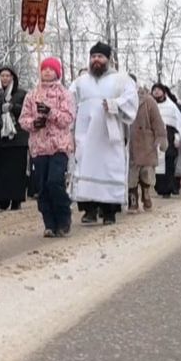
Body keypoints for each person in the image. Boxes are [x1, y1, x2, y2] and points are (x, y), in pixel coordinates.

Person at [70, 42, 138, 225]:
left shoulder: (121, 80)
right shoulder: (80, 82)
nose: (96, 60)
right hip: (85, 135)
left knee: (109, 171)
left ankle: (109, 212)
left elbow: (131, 101)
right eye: (93, 57)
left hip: (109, 136)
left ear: (108, 59)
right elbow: (69, 104)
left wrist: (115, 104)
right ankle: (89, 211)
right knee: (85, 169)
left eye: (100, 56)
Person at [20, 57, 76, 237]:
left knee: (54, 182)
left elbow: (68, 119)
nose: (47, 72)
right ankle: (49, 223)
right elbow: (23, 119)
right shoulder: (32, 94)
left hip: (59, 145)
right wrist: (34, 123)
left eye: (51, 69)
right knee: (42, 187)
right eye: (44, 69)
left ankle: (63, 218)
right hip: (39, 146)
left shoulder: (64, 94)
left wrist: (50, 113)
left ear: (57, 72)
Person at [0, 66, 30, 210]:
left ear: (13, 78)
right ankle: (1, 199)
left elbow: (27, 111)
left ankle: (16, 199)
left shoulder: (21, 94)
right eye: (2, 76)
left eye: (8, 76)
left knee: (16, 171)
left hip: (16, 138)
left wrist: (13, 107)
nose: (5, 79)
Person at [127, 75, 167, 213]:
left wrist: (161, 138)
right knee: (130, 174)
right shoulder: (121, 101)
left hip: (146, 143)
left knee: (146, 172)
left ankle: (146, 192)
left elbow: (157, 121)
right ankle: (132, 198)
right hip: (128, 143)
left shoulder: (148, 101)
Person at [151, 84, 181, 198]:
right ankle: (160, 188)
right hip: (155, 139)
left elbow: (178, 123)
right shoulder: (151, 106)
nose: (156, 92)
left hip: (169, 139)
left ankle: (169, 188)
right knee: (157, 165)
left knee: (168, 164)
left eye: (158, 90)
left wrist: (177, 136)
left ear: (164, 92)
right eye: (154, 90)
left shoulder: (172, 107)